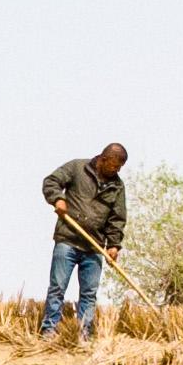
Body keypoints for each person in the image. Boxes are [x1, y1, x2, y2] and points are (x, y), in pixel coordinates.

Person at [40, 144, 128, 342]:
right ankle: (49, 331)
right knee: (57, 287)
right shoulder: (77, 168)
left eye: (120, 167)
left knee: (89, 294)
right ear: (103, 159)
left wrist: (113, 245)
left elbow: (117, 218)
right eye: (114, 166)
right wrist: (58, 199)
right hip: (68, 240)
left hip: (94, 246)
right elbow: (51, 182)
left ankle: (83, 335)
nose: (116, 171)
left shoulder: (118, 186)